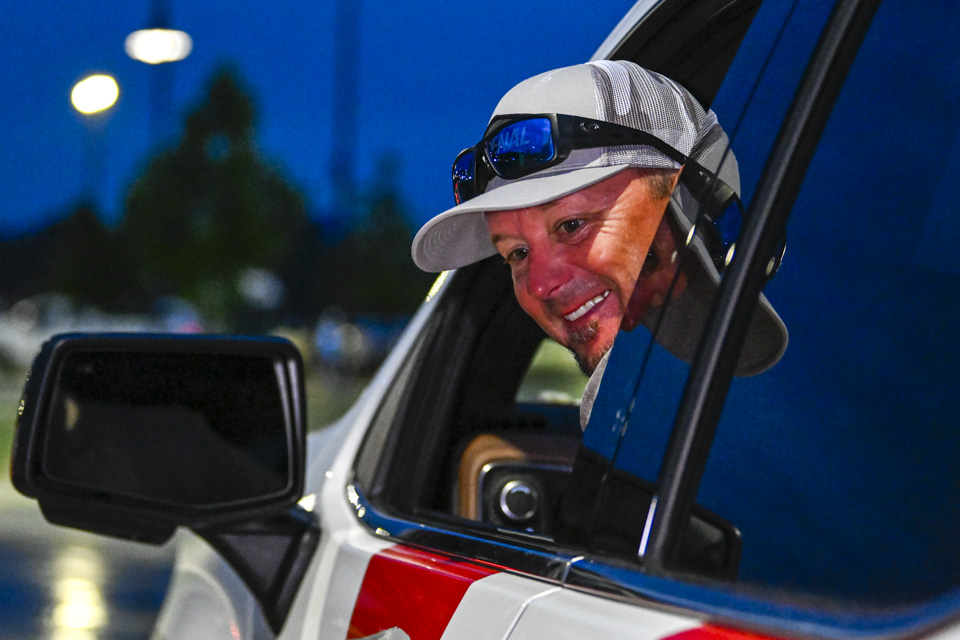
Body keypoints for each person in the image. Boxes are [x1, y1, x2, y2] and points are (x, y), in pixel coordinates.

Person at [411, 60, 787, 422]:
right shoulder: (640, 409)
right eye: (518, 253)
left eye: (572, 225)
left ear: (697, 202)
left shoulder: (763, 420)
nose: (540, 285)